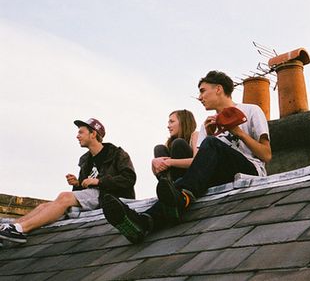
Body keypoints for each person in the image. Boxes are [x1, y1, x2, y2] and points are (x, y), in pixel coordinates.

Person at [102, 70, 272, 243]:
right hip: (222, 176)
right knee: (177, 186)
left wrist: (237, 132)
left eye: (203, 90)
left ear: (218, 89)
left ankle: (183, 198)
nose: (200, 97)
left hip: (250, 170)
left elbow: (266, 155)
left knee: (209, 147)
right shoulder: (208, 125)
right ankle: (143, 221)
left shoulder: (251, 110)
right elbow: (198, 165)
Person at [0, 118, 136, 244]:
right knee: (44, 207)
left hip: (110, 197)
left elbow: (129, 179)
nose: (77, 136)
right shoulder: (86, 160)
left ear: (93, 134)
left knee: (64, 196)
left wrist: (99, 182)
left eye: (81, 132)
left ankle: (20, 229)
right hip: (93, 197)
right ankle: (9, 228)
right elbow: (81, 194)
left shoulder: (117, 154)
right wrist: (77, 184)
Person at [152, 109, 199, 183]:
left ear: (183, 122)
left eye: (172, 122)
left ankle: (179, 186)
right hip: (172, 179)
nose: (168, 126)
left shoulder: (195, 135)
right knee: (159, 148)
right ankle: (167, 185)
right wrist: (154, 163)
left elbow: (198, 161)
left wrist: (170, 162)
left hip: (190, 178)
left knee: (178, 143)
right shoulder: (169, 143)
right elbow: (158, 171)